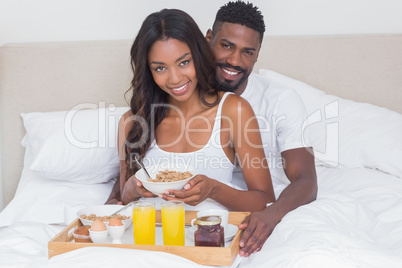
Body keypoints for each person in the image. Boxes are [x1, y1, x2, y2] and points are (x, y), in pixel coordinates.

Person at [107, 8, 275, 212]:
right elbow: (124, 199)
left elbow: (264, 200)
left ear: (198, 54)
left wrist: (214, 190)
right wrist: (131, 189)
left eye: (184, 62)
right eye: (160, 68)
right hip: (148, 238)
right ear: (148, 71)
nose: (175, 78)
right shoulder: (133, 122)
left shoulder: (233, 110)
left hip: (206, 236)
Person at [205, 1, 317, 257]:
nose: (234, 60)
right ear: (208, 38)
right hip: (205, 209)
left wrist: (272, 214)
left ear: (258, 53)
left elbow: (307, 180)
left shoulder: (280, 99)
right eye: (226, 46)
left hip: (266, 205)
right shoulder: (184, 91)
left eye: (248, 52)